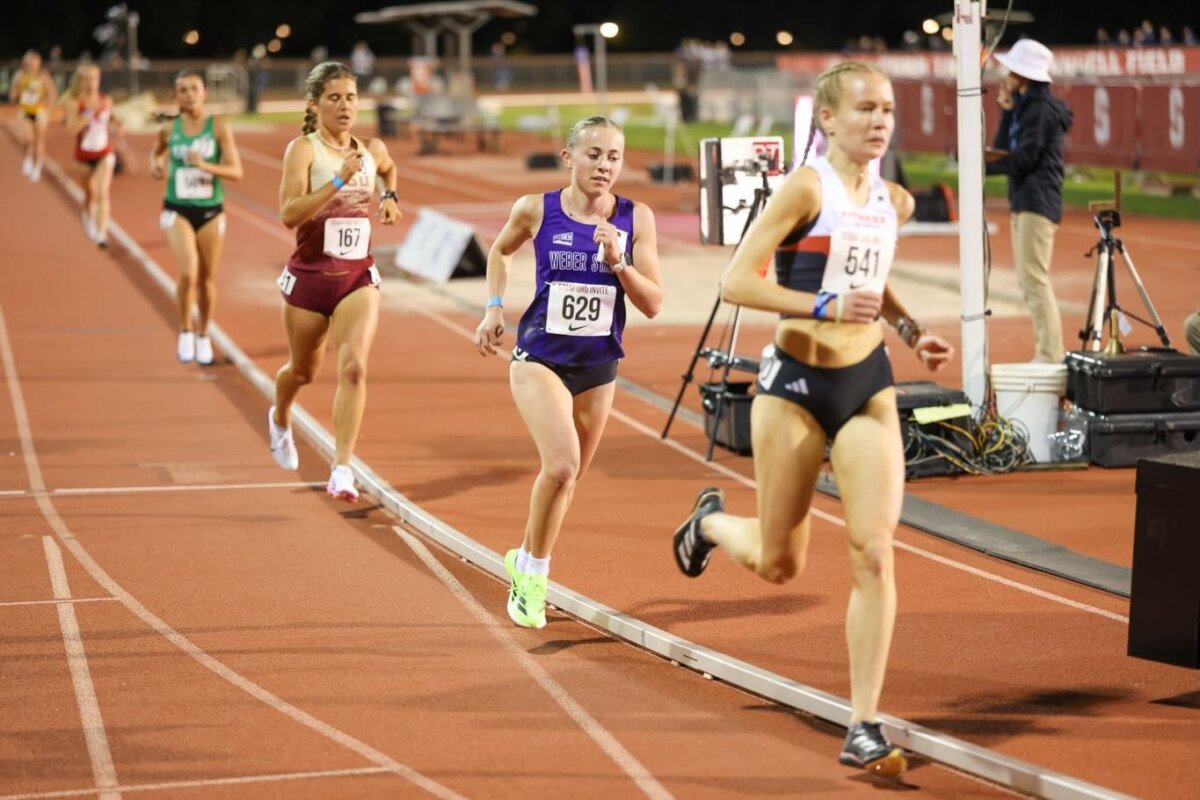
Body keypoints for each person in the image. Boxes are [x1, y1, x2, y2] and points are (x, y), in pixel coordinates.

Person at [670, 62, 953, 776]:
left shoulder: (896, 200)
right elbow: (737, 279)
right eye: (864, 108)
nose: (880, 120)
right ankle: (705, 524)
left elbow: (872, 277)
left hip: (867, 383)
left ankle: (863, 724)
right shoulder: (804, 188)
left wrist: (912, 329)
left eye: (887, 108)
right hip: (794, 384)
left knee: (874, 550)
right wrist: (822, 307)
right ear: (828, 119)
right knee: (778, 561)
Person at [473, 115, 663, 629]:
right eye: (594, 154)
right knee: (560, 466)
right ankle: (533, 578)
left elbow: (653, 304)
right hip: (539, 358)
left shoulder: (635, 217)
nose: (604, 166)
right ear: (569, 157)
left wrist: (619, 262)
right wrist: (493, 308)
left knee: (570, 477)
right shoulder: (537, 209)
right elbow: (499, 250)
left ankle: (524, 558)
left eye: (614, 157)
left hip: (599, 366)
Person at [269, 61, 401, 502]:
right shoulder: (303, 151)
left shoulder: (371, 148)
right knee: (302, 372)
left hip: (357, 279)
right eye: (335, 98)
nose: (345, 106)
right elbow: (289, 213)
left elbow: (388, 168)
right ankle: (281, 414)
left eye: (351, 97)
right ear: (315, 104)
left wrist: (390, 196)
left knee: (354, 367)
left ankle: (342, 467)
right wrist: (338, 181)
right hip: (309, 278)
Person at [985, 39, 1073, 364]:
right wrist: (1006, 112)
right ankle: (1047, 352)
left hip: (1037, 200)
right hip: (1026, 199)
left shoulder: (1040, 110)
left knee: (1034, 281)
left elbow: (1023, 160)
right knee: (1029, 281)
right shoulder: (1027, 107)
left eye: (1011, 69)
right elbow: (1003, 149)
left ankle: (1050, 354)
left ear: (1023, 73)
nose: (1005, 74)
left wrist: (983, 166)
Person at [149, 70, 244, 365]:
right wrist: (156, 165)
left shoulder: (217, 127)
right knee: (188, 272)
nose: (188, 94)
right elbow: (156, 153)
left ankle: (204, 335)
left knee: (206, 279)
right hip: (177, 207)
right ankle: (185, 330)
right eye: (182, 90)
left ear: (204, 93)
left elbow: (236, 171)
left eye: (194, 88)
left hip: (210, 211)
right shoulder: (169, 129)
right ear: (176, 96)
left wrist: (205, 165)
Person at [63, 63, 116, 247]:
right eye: (86, 79)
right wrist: (87, 115)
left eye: (94, 78)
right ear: (80, 81)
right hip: (83, 156)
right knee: (90, 194)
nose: (91, 83)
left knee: (102, 193)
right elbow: (71, 130)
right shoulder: (74, 103)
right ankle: (87, 214)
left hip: (104, 153)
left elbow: (112, 119)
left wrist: (117, 125)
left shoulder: (106, 100)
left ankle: (101, 234)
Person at [9, 50, 58, 183]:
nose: (32, 65)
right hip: (25, 111)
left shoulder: (43, 76)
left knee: (39, 140)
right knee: (28, 138)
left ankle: (37, 167)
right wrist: (19, 94)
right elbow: (13, 95)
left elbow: (52, 93)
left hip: (39, 111)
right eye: (30, 62)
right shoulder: (20, 76)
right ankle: (27, 158)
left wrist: (48, 107)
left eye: (35, 62)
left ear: (39, 63)